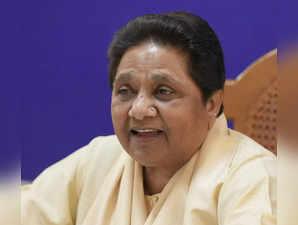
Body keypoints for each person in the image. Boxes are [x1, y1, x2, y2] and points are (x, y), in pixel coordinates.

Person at [22, 11, 276, 225]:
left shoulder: (253, 178)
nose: (139, 109)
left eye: (163, 91)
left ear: (211, 103)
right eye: (125, 91)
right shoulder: (100, 159)